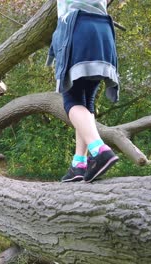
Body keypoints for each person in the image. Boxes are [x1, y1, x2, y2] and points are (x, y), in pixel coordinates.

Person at [47, 0, 119, 183]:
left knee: (71, 100)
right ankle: (79, 164)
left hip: (78, 30)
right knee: (87, 102)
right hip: (103, 33)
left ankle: (100, 151)